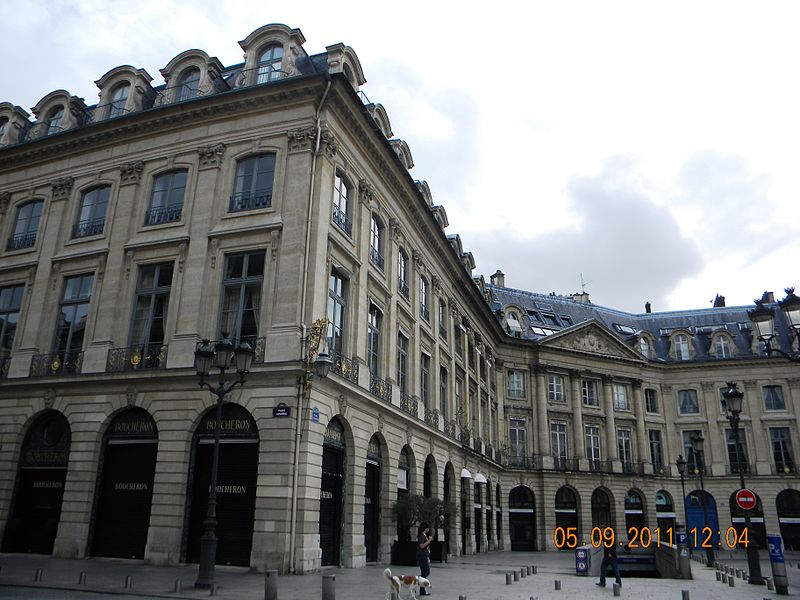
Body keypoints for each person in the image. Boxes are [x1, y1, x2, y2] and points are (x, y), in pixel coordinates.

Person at [416, 522, 433, 595]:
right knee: (424, 572)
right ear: (425, 528)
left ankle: (417, 581)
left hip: (425, 555)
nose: (429, 529)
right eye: (427, 527)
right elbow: (421, 546)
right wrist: (429, 541)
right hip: (422, 555)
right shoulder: (422, 536)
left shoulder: (425, 535)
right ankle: (422, 590)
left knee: (426, 572)